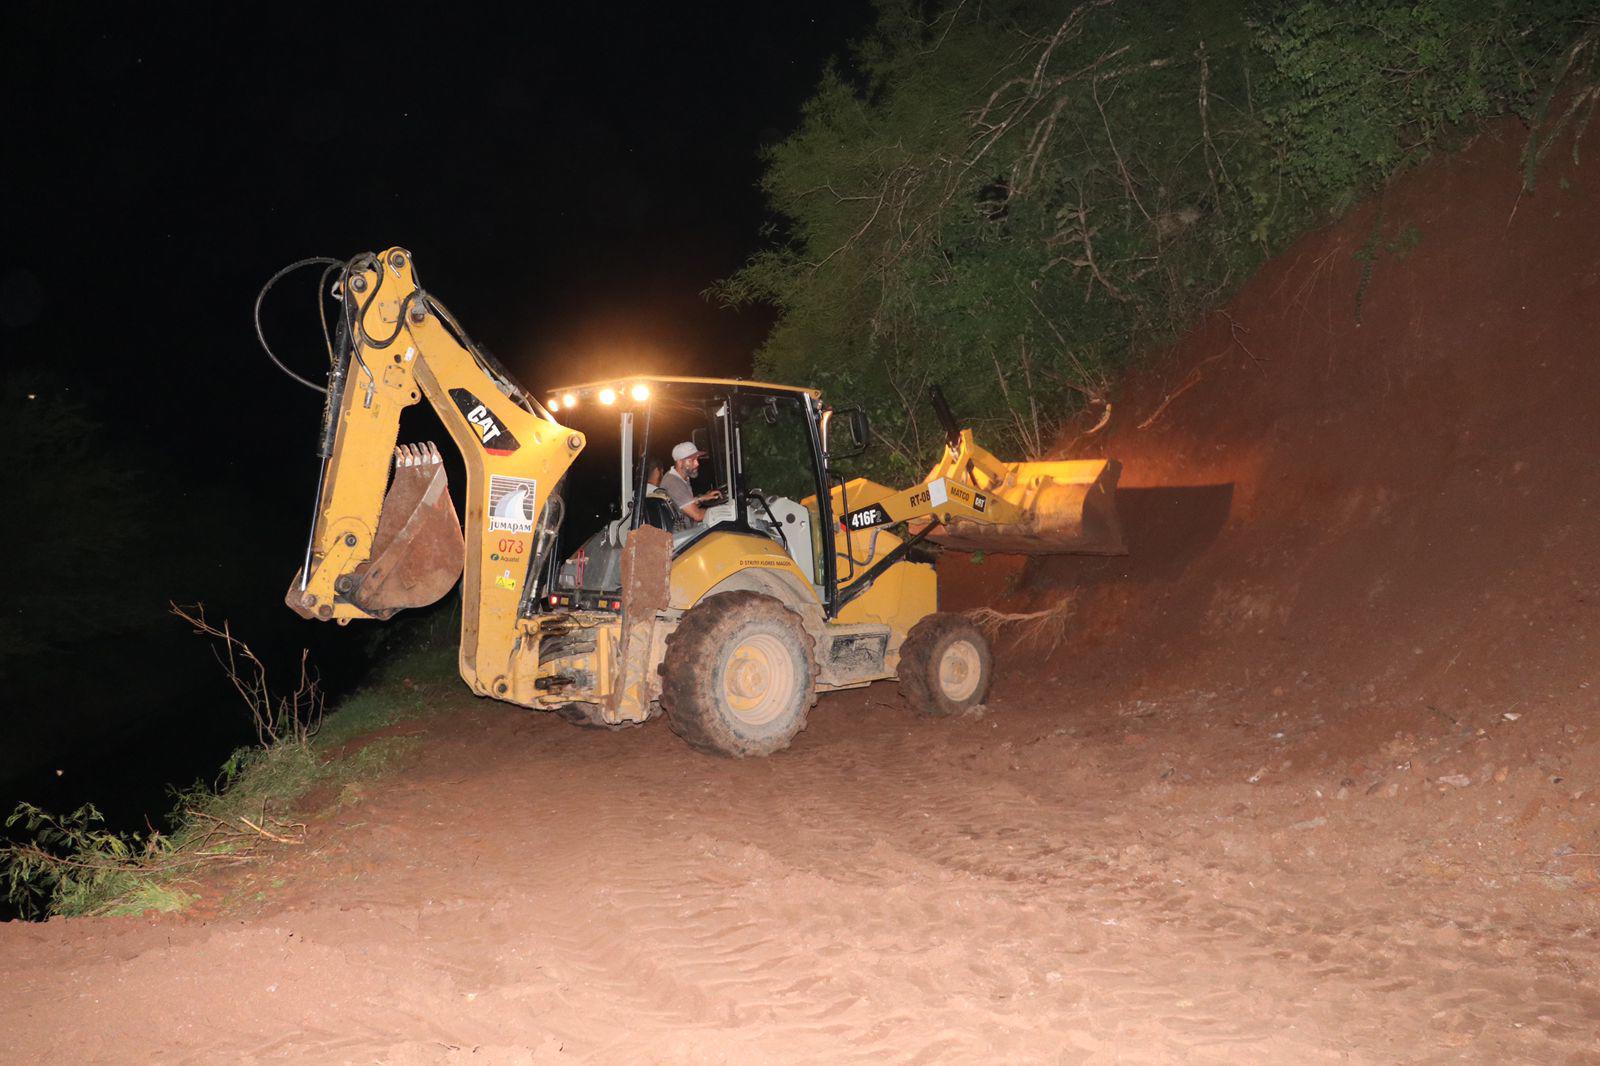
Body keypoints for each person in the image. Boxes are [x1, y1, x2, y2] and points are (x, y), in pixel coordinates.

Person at [661, 440, 722, 526]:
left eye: (697, 459)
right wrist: (724, 510)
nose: (697, 463)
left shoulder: (681, 477)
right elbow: (697, 515)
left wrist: (702, 498)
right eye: (691, 460)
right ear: (680, 462)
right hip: (684, 535)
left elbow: (683, 503)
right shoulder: (673, 482)